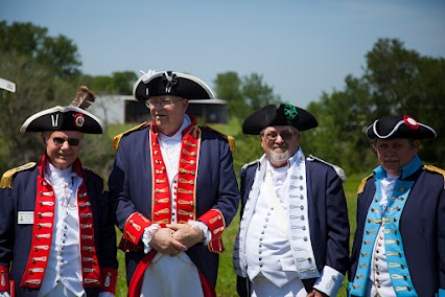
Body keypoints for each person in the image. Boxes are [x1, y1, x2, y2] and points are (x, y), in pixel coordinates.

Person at [109, 70, 240, 297]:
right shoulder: (129, 144)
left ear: (184, 104)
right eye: (153, 102)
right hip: (146, 254)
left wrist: (199, 230)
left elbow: (228, 199)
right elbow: (118, 199)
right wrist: (149, 233)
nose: (157, 108)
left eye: (165, 101)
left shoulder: (215, 144)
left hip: (196, 257)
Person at [0, 87, 118, 297]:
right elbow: (2, 243)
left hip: (81, 290)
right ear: (45, 139)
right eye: (58, 140)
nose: (65, 147)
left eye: (73, 141)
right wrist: (2, 289)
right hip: (32, 291)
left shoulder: (95, 185)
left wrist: (107, 290)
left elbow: (107, 243)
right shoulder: (18, 183)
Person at [233, 103, 350, 297]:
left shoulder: (323, 175)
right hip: (255, 285)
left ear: (298, 137)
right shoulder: (250, 173)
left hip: (302, 287)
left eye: (286, 134)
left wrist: (325, 287)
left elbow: (338, 236)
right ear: (261, 139)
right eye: (272, 134)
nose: (279, 140)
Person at [349, 115, 445, 297]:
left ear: (415, 147)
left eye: (397, 145)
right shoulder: (367, 187)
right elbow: (358, 246)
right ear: (374, 149)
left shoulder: (436, 186)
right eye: (383, 146)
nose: (389, 152)